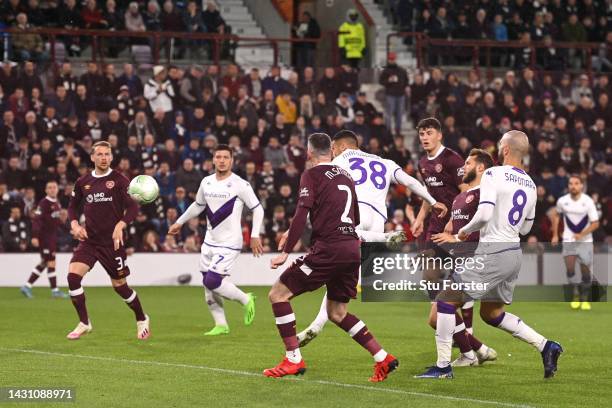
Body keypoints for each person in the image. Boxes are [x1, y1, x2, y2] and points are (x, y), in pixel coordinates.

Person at [416, 130, 563, 379]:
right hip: (513, 252)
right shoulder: (530, 183)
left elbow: (484, 215)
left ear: (505, 149)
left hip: (493, 250)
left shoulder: (494, 173)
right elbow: (526, 227)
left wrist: (462, 232)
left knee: (445, 300)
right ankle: (546, 346)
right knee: (491, 314)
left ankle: (442, 368)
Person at [263, 133, 398, 382]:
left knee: (278, 294)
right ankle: (383, 358)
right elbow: (355, 218)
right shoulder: (346, 176)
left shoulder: (311, 175)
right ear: (332, 151)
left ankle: (293, 359)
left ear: (309, 152)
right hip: (351, 248)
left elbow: (301, 213)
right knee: (337, 312)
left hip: (329, 248)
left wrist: (285, 250)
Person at [296, 129, 447, 346]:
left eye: (333, 149)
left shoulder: (340, 160)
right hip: (377, 217)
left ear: (341, 147)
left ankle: (380, 238)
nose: (332, 152)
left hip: (352, 214)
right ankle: (316, 325)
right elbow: (411, 182)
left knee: (336, 262)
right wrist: (432, 201)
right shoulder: (384, 162)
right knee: (339, 275)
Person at [167, 145, 263, 336]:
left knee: (212, 280)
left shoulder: (240, 184)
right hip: (209, 241)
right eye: (218, 157)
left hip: (230, 242)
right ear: (213, 160)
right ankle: (221, 324)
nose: (221, 160)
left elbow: (258, 209)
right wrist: (180, 222)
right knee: (207, 283)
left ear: (232, 160)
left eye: (225, 157)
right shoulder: (206, 182)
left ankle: (246, 299)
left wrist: (254, 235)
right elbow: (198, 205)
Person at [65, 141, 149, 340]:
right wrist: (75, 225)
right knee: (73, 278)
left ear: (111, 157)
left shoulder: (119, 180)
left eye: (107, 154)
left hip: (113, 243)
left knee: (120, 287)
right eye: (100, 154)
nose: (104, 157)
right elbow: (72, 207)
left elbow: (134, 208)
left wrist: (121, 225)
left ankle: (141, 318)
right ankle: (84, 323)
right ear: (92, 157)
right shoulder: (83, 182)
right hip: (90, 241)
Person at [429, 149, 498, 367]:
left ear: (480, 168)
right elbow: (451, 230)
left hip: (475, 262)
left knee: (447, 309)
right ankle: (477, 350)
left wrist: (454, 240)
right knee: (435, 318)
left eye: (468, 163)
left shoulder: (484, 196)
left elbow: (478, 235)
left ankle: (458, 359)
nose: (463, 167)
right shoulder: (460, 198)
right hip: (457, 261)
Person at [549, 175, 600, 310]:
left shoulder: (588, 201)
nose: (573, 186)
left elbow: (595, 223)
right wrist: (555, 235)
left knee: (585, 272)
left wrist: (581, 235)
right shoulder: (562, 201)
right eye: (571, 183)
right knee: (570, 269)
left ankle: (584, 298)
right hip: (568, 240)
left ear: (581, 186)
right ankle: (575, 296)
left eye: (576, 183)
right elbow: (556, 215)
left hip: (585, 241)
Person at [20, 180, 69, 299]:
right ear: (46, 190)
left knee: (46, 262)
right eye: (50, 188)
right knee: (50, 262)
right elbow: (37, 220)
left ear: (57, 189)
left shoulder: (56, 203)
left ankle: (28, 286)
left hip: (51, 238)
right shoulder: (44, 203)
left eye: (54, 187)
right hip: (45, 238)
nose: (52, 189)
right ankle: (54, 290)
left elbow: (57, 221)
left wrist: (69, 230)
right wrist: (35, 236)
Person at [379, 52, 409, 135]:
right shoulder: (386, 71)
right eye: (390, 59)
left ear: (395, 59)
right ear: (388, 60)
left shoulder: (401, 70)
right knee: (389, 113)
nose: (392, 60)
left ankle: (398, 130)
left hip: (400, 95)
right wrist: (388, 81)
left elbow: (406, 80)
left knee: (399, 114)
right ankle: (388, 131)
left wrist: (405, 87)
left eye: (393, 59)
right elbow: (381, 81)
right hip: (390, 95)